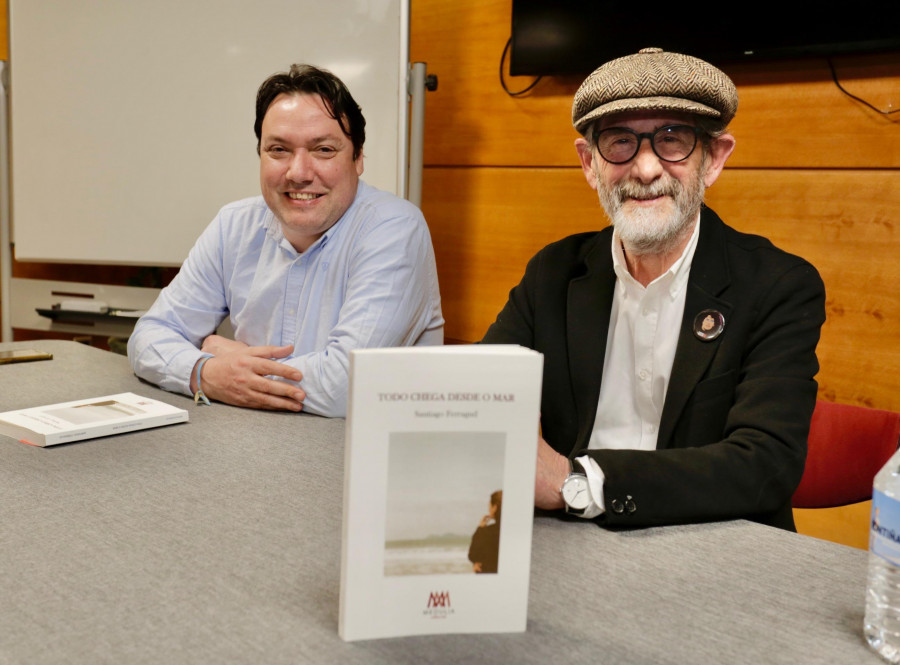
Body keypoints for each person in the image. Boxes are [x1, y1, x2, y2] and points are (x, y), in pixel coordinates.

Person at [482, 48, 826, 531]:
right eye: (620, 142)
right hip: (573, 543)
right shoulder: (553, 274)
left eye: (672, 140)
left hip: (716, 549)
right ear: (589, 163)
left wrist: (572, 482)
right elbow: (476, 400)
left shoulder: (778, 285)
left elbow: (764, 464)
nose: (645, 170)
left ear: (713, 159)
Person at [128, 64, 443, 418]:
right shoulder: (233, 226)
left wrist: (225, 356)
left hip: (358, 461)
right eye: (278, 150)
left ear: (358, 158)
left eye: (323, 150)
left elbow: (344, 387)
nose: (299, 173)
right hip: (253, 450)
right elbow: (149, 336)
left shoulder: (394, 229)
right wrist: (207, 371)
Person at [468, 490, 502, 574]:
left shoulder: (487, 532)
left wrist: (480, 528)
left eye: (490, 505)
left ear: (495, 507)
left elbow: (472, 555)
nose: (489, 508)